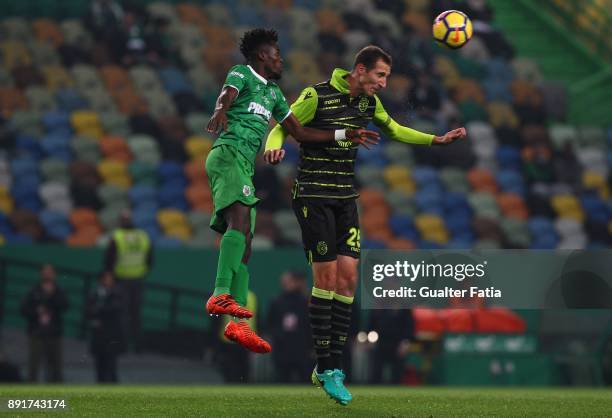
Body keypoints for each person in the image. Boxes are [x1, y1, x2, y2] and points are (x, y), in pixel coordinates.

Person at [265, 45, 467, 404]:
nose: (384, 83)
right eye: (380, 75)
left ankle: (331, 365)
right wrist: (273, 146)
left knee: (349, 279)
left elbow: (396, 130)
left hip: (345, 198)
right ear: (360, 70)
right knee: (325, 279)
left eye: (386, 76)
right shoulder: (317, 95)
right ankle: (327, 366)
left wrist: (436, 139)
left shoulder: (368, 105)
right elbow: (284, 126)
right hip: (313, 195)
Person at [203, 28, 379, 355]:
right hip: (227, 154)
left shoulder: (273, 93)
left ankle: (237, 325)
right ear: (261, 57)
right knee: (239, 224)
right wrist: (220, 109)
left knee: (246, 244)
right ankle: (220, 291)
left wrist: (344, 132)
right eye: (276, 55)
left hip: (244, 165)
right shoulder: (242, 73)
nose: (280, 59)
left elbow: (299, 132)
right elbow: (227, 94)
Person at [104, 209, 153, 352]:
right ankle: (138, 347)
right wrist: (141, 271)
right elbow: (150, 259)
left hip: (121, 280)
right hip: (138, 279)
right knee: (136, 315)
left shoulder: (117, 236)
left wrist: (111, 275)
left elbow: (108, 260)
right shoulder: (142, 236)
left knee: (123, 314)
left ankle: (123, 346)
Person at [20, 264, 69, 382]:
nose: (47, 274)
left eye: (50, 272)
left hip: (54, 332)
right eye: (45, 271)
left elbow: (65, 305)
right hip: (37, 331)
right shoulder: (34, 291)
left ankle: (57, 395)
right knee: (34, 364)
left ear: (54, 274)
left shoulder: (58, 291)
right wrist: (37, 311)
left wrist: (51, 299)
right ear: (41, 273)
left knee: (55, 365)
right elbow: (24, 309)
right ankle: (31, 395)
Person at [266, 271, 311, 383]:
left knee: (305, 379)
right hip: (282, 348)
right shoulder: (276, 302)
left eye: (289, 281)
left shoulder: (305, 302)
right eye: (284, 281)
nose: (286, 283)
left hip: (302, 348)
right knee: (282, 379)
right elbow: (270, 323)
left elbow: (310, 325)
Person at [87, 271, 124, 383]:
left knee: (111, 366)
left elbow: (115, 309)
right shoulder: (95, 293)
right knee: (99, 366)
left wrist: (98, 309)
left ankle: (114, 393)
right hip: (98, 336)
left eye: (109, 278)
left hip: (111, 336)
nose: (107, 281)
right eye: (105, 278)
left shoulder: (117, 293)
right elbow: (88, 311)